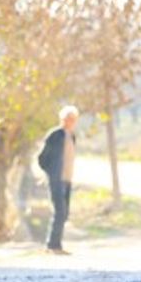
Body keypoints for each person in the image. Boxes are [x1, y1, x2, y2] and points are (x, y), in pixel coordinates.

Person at [37, 105, 79, 255]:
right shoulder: (55, 135)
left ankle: (56, 244)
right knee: (59, 211)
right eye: (67, 119)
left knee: (65, 212)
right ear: (62, 119)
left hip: (67, 179)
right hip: (56, 179)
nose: (70, 122)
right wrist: (51, 173)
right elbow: (42, 158)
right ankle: (52, 246)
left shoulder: (72, 135)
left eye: (73, 119)